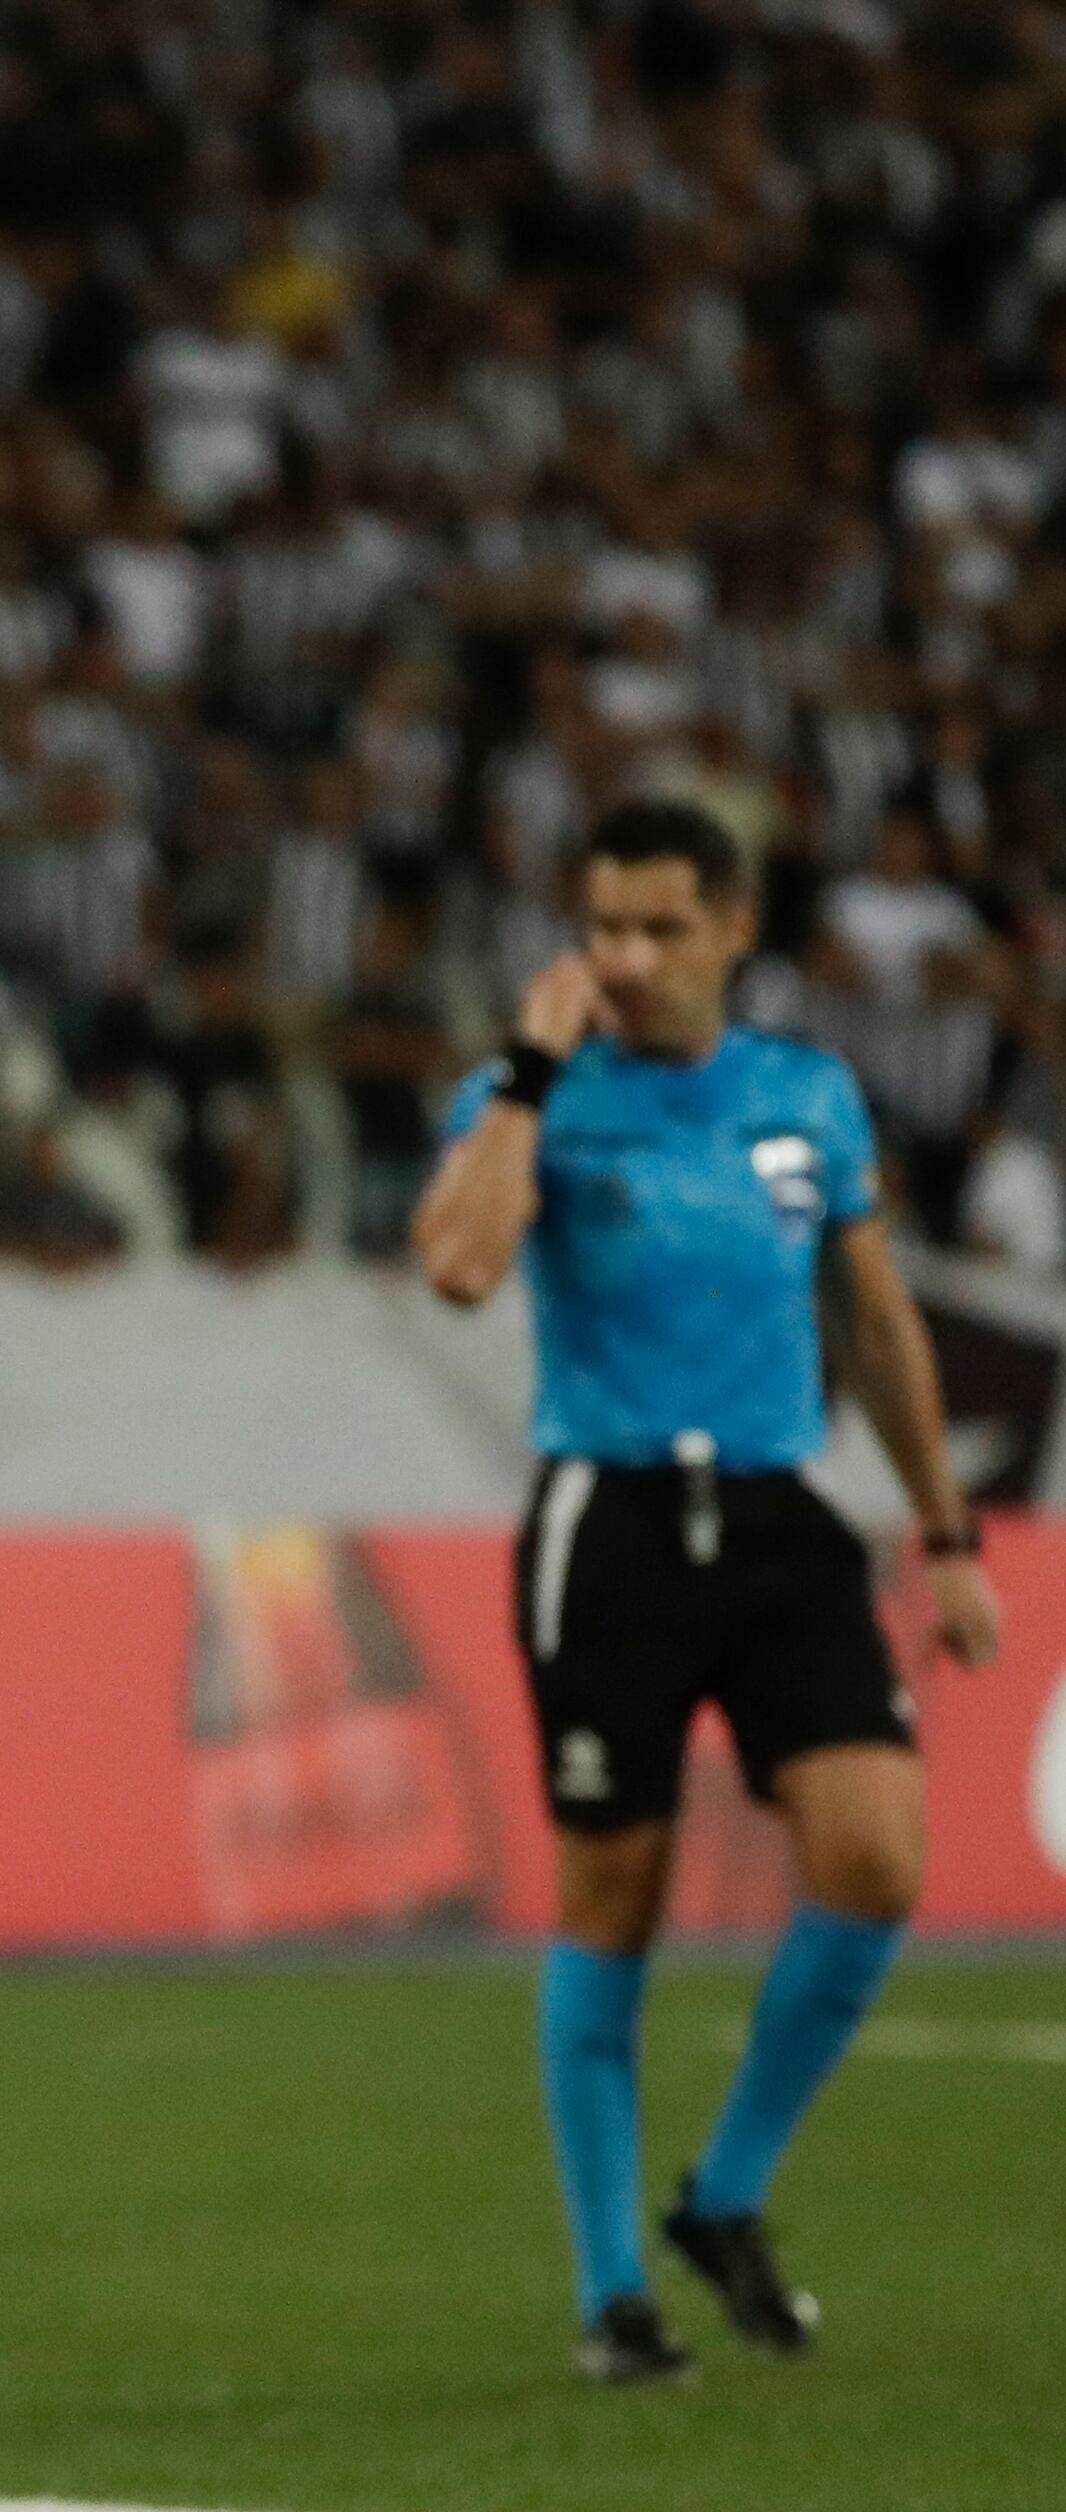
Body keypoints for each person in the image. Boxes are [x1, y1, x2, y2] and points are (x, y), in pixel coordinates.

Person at [409, 796, 1002, 2384]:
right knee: (615, 1899)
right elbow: (457, 1266)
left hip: (775, 1513)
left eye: (660, 926)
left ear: (734, 931)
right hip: (603, 1520)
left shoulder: (805, 1097)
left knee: (875, 1860)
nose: (623, 958)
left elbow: (875, 1327)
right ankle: (613, 2290)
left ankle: (723, 2194)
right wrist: (526, 1082)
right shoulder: (533, 1090)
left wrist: (943, 1536)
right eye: (602, 924)